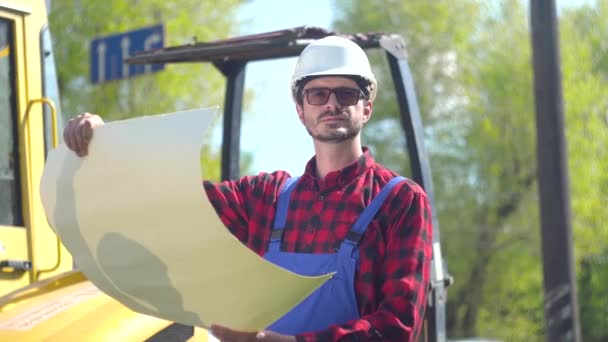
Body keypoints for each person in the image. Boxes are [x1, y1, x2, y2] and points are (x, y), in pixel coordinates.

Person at [63, 36, 433, 342]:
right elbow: (175, 200)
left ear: (366, 107)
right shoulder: (266, 199)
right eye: (317, 94)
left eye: (347, 94)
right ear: (300, 110)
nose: (332, 104)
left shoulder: (400, 202)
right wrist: (105, 142)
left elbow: (397, 328)